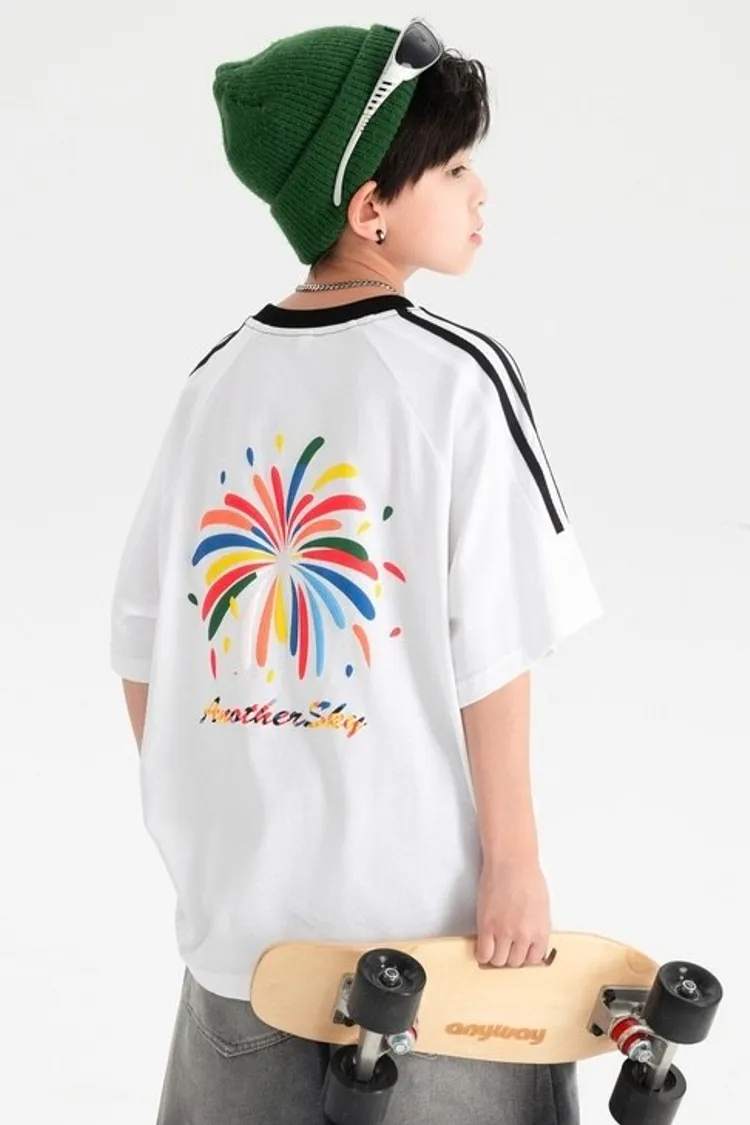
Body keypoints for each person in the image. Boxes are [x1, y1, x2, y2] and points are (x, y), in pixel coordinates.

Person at [110, 18, 603, 1125]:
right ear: (370, 206)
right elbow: (494, 643)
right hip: (429, 954)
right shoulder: (456, 377)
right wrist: (515, 863)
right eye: (455, 165)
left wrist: (209, 834)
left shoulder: (213, 384)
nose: (481, 189)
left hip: (242, 950)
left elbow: (141, 643)